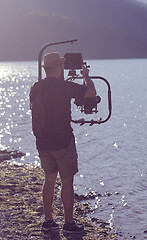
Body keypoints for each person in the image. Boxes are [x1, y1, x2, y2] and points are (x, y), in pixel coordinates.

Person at [29, 52, 96, 234]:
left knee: (49, 180)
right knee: (67, 181)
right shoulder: (64, 87)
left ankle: (48, 221)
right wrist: (86, 77)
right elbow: (90, 92)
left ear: (45, 68)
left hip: (42, 142)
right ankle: (68, 223)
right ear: (59, 67)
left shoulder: (36, 87)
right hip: (63, 142)